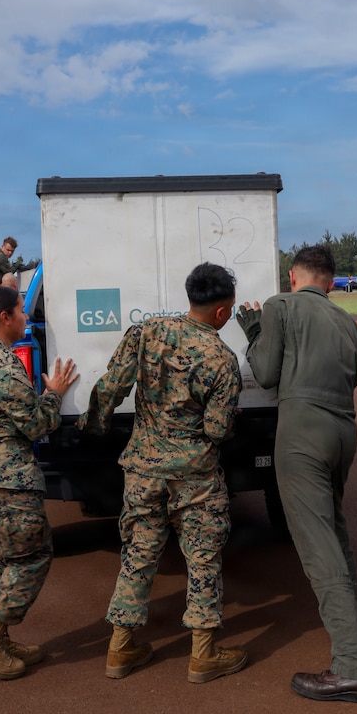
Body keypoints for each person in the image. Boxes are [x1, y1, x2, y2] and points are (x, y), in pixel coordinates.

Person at [78, 262, 247, 683]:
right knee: (203, 558)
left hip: (142, 468)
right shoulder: (222, 359)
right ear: (223, 312)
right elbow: (217, 430)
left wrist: (93, 430)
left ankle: (120, 649)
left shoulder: (145, 333)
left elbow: (111, 387)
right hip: (196, 475)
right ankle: (203, 654)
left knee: (138, 555)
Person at [237, 245, 357, 703]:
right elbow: (352, 380)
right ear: (331, 283)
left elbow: (266, 372)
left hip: (303, 430)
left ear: (293, 278)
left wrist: (253, 331)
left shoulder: (280, 306)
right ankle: (354, 623)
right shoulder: (345, 322)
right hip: (343, 428)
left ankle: (352, 666)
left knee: (318, 546)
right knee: (334, 530)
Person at [0, 285, 78, 679]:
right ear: (5, 318)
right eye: (22, 311)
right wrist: (54, 393)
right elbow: (36, 423)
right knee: (31, 557)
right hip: (2, 476)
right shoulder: (1, 364)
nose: (26, 317)